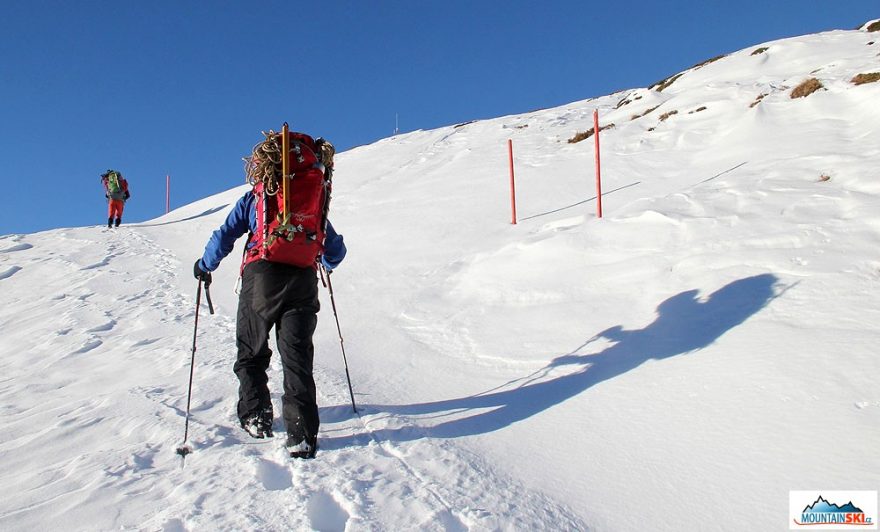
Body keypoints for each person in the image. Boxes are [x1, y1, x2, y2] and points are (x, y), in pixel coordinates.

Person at [193, 132, 346, 459]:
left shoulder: (259, 197)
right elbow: (335, 249)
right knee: (297, 356)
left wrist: (205, 266)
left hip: (261, 277)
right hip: (303, 278)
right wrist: (324, 262)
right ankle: (302, 435)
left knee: (251, 350)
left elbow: (225, 236)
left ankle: (256, 416)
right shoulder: (312, 199)